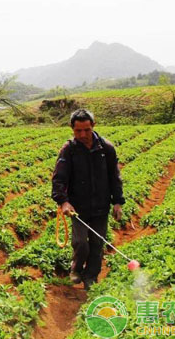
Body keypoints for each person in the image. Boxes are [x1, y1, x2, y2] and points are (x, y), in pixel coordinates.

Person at [52, 109, 125, 291]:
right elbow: (59, 178)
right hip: (78, 208)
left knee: (96, 244)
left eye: (86, 130)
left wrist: (117, 202)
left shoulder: (106, 149)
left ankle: (91, 276)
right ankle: (76, 269)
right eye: (78, 131)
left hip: (100, 206)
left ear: (93, 126)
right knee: (80, 243)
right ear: (72, 129)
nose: (83, 135)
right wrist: (63, 201)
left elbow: (114, 176)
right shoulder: (68, 150)